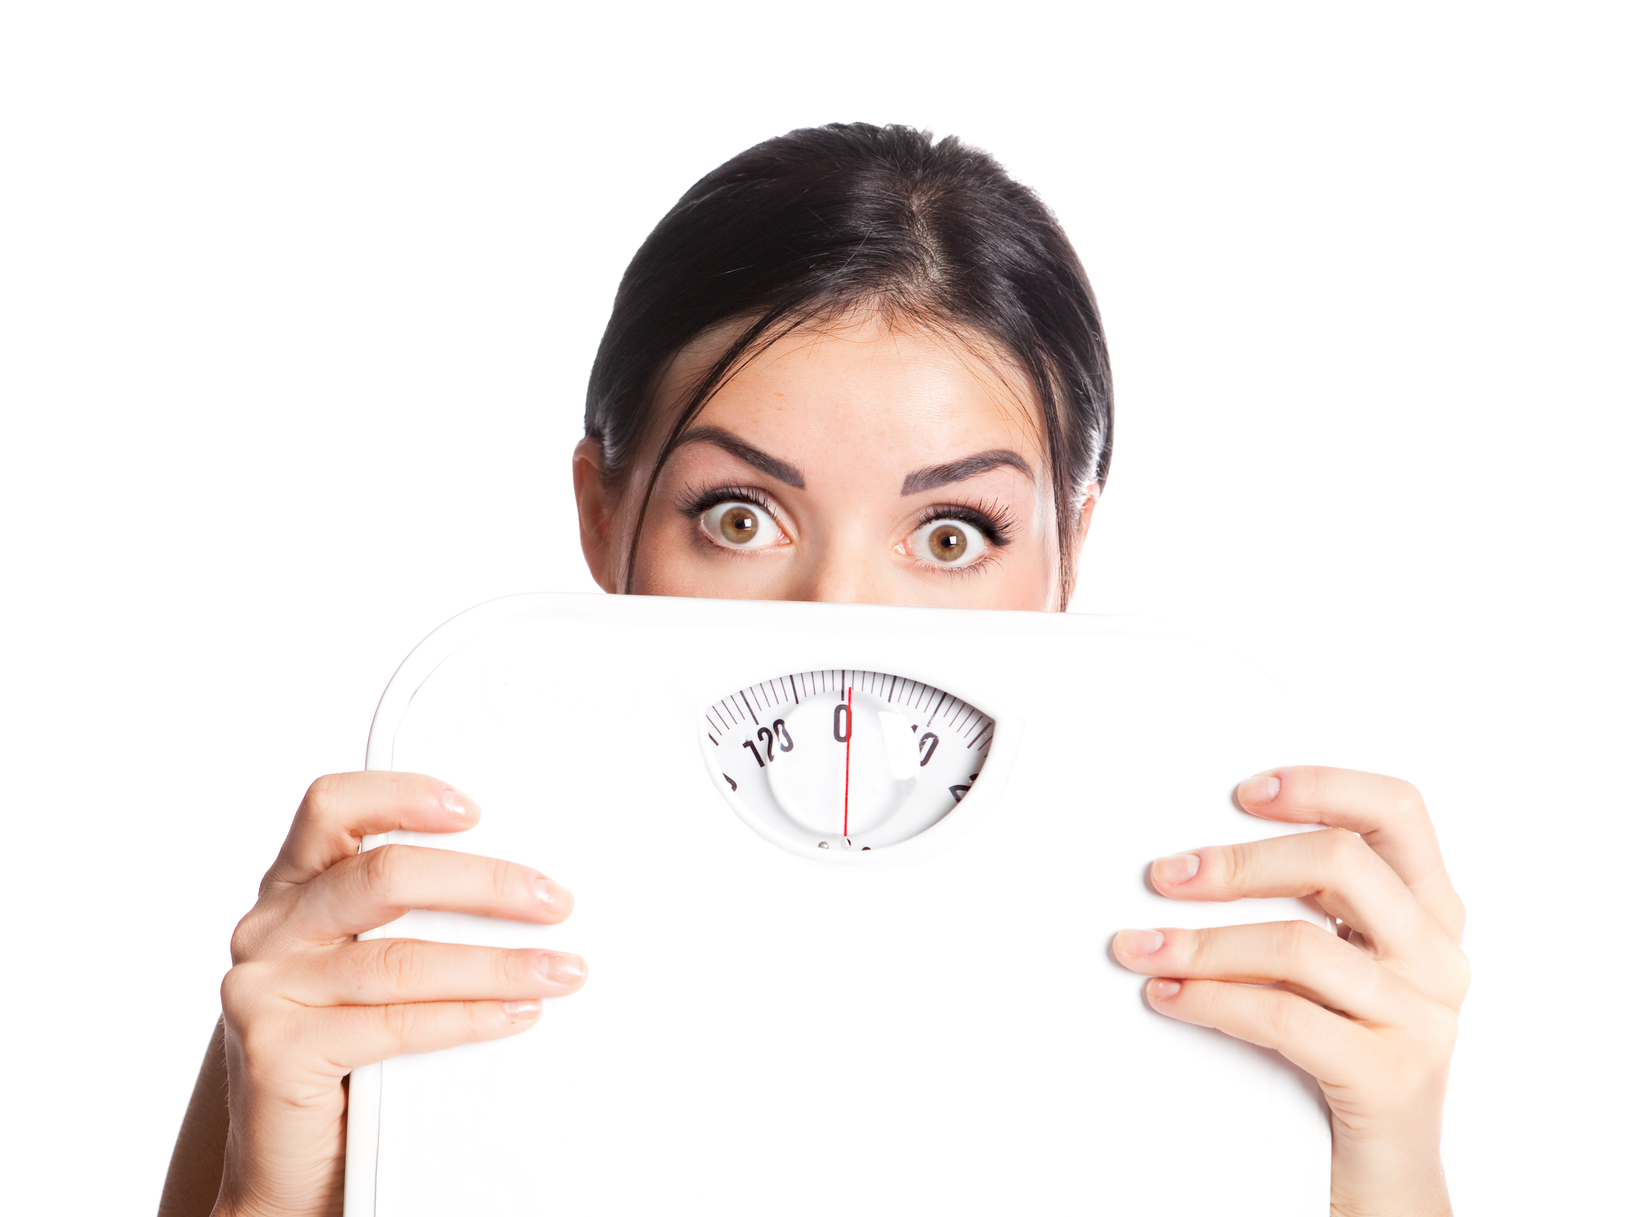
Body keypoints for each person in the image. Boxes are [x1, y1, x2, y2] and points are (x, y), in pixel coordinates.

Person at [160, 123, 1468, 1217]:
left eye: (952, 535)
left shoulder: (1239, 954)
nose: (843, 616)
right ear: (599, 508)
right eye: (739, 515)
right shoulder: (396, 946)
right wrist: (276, 1190)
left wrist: (1389, 1142)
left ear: (1070, 550)